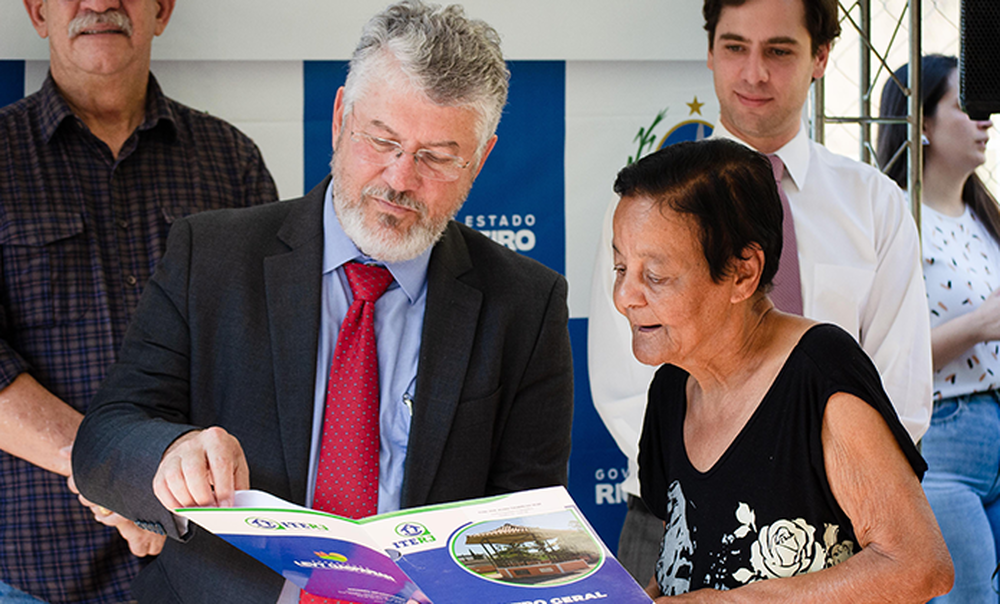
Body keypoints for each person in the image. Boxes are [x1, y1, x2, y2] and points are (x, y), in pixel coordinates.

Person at [71, 1, 574, 602]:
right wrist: (168, 454)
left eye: (437, 157)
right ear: (340, 118)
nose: (400, 179)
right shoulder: (211, 254)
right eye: (381, 139)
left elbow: (527, 525)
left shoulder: (526, 302)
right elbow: (103, 440)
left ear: (481, 158)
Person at [587, 0, 933, 583]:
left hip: (841, 516)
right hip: (667, 506)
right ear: (709, 52)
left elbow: (897, 385)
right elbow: (626, 381)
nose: (753, 73)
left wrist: (806, 486)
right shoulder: (643, 208)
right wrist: (708, 476)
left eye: (778, 50)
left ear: (820, 57)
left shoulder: (874, 204)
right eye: (734, 47)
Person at [0, 0, 278, 601]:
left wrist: (144, 480)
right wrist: (118, 474)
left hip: (205, 566)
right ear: (37, 11)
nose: (100, 4)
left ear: (163, 9)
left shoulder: (231, 162)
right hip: (33, 570)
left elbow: (270, 362)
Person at [611, 138, 952, 601]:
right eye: (620, 267)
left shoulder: (821, 371)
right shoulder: (672, 384)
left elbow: (920, 565)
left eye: (655, 276)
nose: (625, 297)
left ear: (743, 273)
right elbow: (684, 567)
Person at [878, 54, 1000, 604]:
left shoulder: (985, 216)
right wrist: (977, 325)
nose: (986, 119)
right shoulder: (896, 219)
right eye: (966, 106)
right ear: (920, 122)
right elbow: (877, 359)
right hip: (942, 440)